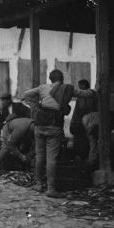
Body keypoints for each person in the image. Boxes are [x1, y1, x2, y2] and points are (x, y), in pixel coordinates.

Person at [23, 69, 96, 198]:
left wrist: (35, 106)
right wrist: (96, 90)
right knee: (51, 158)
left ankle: (39, 185)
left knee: (40, 156)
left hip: (39, 125)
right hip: (54, 126)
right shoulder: (69, 88)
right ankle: (51, 189)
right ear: (61, 78)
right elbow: (86, 94)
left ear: (50, 78)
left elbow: (27, 94)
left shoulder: (42, 87)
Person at [69, 79, 97, 158]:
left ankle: (84, 157)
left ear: (84, 85)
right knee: (81, 140)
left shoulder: (91, 96)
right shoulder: (81, 97)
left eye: (80, 86)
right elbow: (77, 111)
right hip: (80, 122)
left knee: (86, 140)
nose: (79, 88)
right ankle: (81, 156)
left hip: (86, 121)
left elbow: (88, 109)